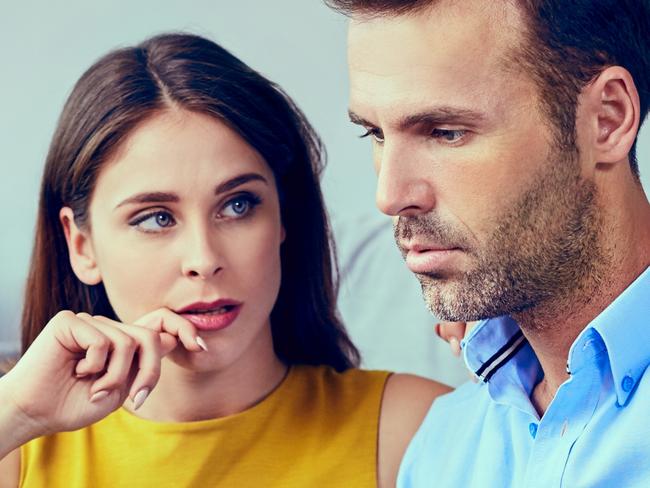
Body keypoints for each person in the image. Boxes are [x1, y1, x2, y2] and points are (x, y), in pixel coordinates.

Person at [0, 32, 451, 488]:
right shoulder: (18, 444)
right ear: (81, 245)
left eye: (238, 205)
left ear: (283, 218)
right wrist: (15, 414)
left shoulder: (411, 431)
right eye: (155, 218)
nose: (204, 259)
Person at [326, 0, 650, 486]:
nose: (390, 197)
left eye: (446, 132)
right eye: (374, 133)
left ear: (606, 118)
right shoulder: (441, 448)